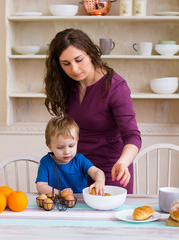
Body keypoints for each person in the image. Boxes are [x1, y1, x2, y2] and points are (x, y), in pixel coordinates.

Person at [44, 28, 142, 194]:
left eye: (79, 60)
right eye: (66, 64)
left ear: (90, 54)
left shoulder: (116, 87)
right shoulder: (68, 84)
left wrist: (123, 162)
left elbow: (132, 136)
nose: (74, 69)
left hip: (111, 170)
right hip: (77, 169)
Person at [36, 116, 105, 195]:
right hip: (55, 203)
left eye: (71, 146)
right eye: (60, 147)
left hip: (79, 202)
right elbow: (41, 186)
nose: (67, 152)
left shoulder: (80, 160)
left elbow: (97, 172)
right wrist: (60, 193)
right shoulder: (46, 162)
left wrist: (99, 180)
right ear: (50, 147)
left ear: (77, 142)